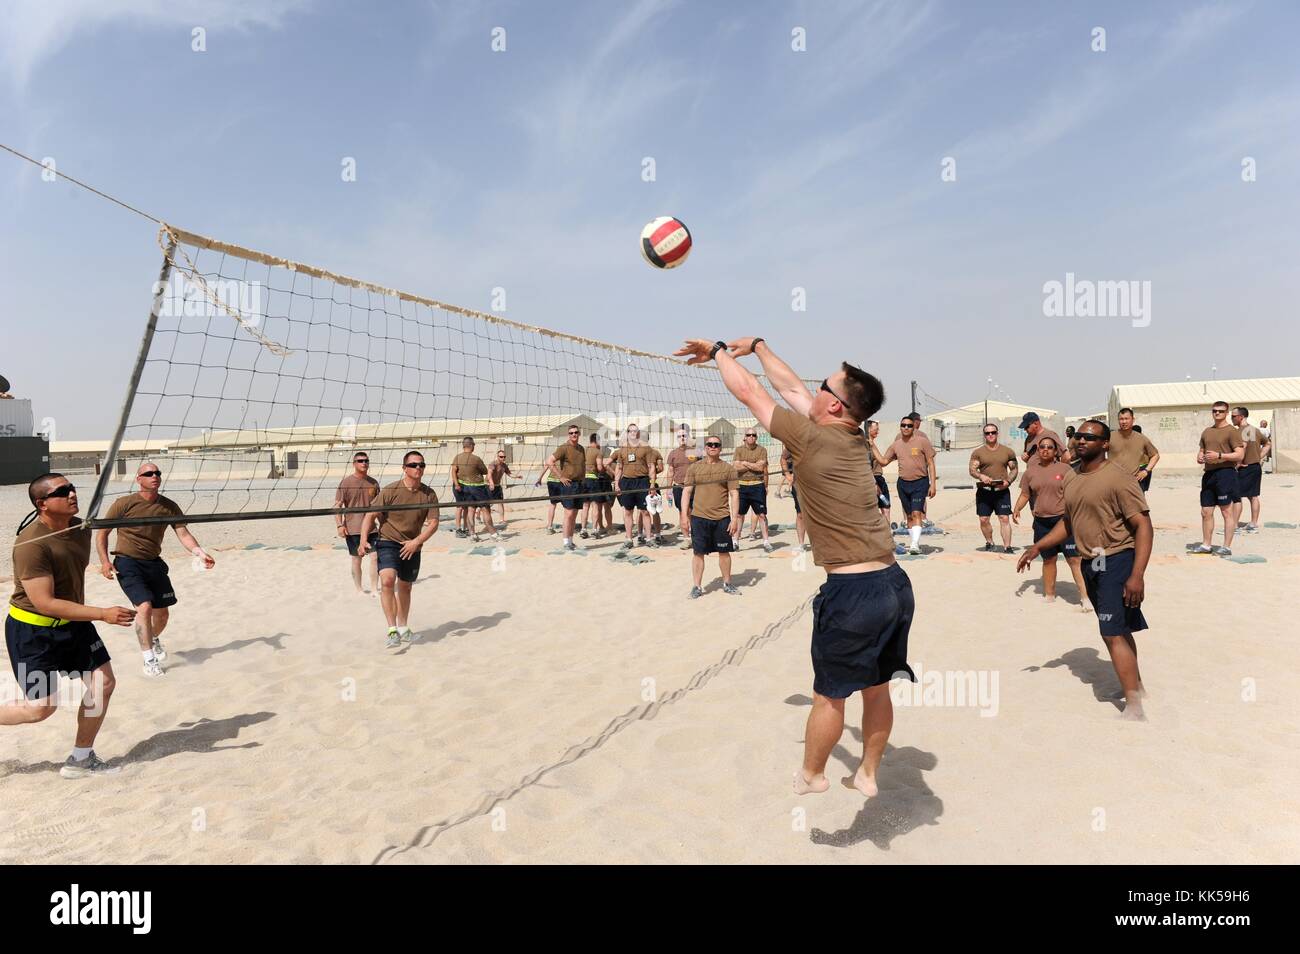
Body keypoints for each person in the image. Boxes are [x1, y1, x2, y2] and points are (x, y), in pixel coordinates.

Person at [675, 336, 912, 800]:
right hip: (894, 584)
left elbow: (752, 394)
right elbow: (790, 389)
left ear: (837, 405)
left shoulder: (810, 437)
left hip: (853, 592)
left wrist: (720, 352)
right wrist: (759, 346)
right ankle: (866, 773)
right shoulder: (851, 434)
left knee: (830, 695)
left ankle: (812, 775)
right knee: (877, 688)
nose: (814, 388)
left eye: (824, 385)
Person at [1017, 420, 1152, 721]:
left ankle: (1134, 707)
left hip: (1117, 559)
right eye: (1078, 436)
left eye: (1089, 438)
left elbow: (1143, 525)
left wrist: (1137, 574)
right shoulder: (1072, 477)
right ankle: (1136, 687)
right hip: (1091, 560)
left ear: (1105, 444)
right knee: (1118, 630)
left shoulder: (1118, 478)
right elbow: (1069, 521)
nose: (1081, 441)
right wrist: (1038, 546)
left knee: (1112, 632)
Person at [3, 474, 135, 777]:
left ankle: (81, 758)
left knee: (103, 684)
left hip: (74, 623)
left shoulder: (80, 528)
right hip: (33, 631)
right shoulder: (30, 545)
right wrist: (102, 613)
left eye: (72, 487)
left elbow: (118, 520)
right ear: (42, 504)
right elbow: (44, 602)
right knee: (40, 709)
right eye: (63, 491)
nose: (72, 493)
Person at [94, 461, 216, 676]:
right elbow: (102, 533)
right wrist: (105, 561)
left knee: (162, 616)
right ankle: (149, 660)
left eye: (157, 473)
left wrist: (200, 553)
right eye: (148, 473)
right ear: (138, 479)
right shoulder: (124, 503)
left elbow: (183, 533)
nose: (154, 476)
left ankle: (153, 638)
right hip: (127, 562)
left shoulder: (169, 505)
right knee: (145, 607)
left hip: (154, 563)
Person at [358, 451, 439, 648]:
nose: (418, 468)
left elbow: (434, 523)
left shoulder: (429, 493)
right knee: (387, 580)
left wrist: (416, 542)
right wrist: (362, 540)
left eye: (421, 465)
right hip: (388, 541)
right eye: (413, 465)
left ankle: (403, 628)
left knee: (405, 587)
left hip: (413, 544)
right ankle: (392, 630)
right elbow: (370, 515)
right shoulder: (390, 490)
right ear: (404, 468)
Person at [1012, 436, 1088, 609]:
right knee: (1048, 559)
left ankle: (1085, 597)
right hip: (1041, 522)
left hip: (1064, 521)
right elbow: (1025, 494)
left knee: (1074, 560)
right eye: (1041, 447)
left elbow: (1076, 492)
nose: (1045, 450)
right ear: (1038, 450)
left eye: (1049, 447)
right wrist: (1017, 509)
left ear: (1055, 451)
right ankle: (1049, 595)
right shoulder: (1030, 472)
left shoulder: (1066, 469)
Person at [682, 436, 740, 598]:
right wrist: (683, 517)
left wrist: (734, 519)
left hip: (722, 518)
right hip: (699, 517)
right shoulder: (694, 468)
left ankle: (727, 583)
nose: (713, 447)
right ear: (705, 448)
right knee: (698, 553)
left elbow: (734, 494)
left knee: (724, 552)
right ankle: (697, 587)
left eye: (716, 444)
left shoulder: (728, 468)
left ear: (720, 448)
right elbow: (686, 492)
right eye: (710, 444)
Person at [877, 416, 936, 554]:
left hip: (920, 482)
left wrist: (933, 484)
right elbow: (884, 461)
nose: (906, 428)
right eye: (903, 425)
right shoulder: (896, 444)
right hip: (903, 483)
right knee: (909, 516)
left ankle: (915, 544)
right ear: (900, 427)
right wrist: (872, 445)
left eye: (909, 425)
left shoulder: (923, 442)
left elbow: (931, 463)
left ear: (914, 427)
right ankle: (913, 542)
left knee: (917, 512)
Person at [1193, 401, 1244, 556]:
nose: (1217, 413)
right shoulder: (1207, 431)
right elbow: (1200, 452)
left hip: (1225, 473)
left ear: (1226, 413)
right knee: (1206, 511)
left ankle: (1226, 547)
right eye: (1214, 411)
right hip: (1209, 474)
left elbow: (1240, 454)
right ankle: (1206, 544)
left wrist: (1220, 455)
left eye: (1220, 411)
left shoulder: (1231, 431)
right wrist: (1201, 457)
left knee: (1226, 511)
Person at [333, 451, 380, 597]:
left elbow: (379, 507)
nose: (364, 463)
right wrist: (340, 525)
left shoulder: (373, 483)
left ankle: (374, 589)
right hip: (353, 529)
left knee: (375, 557)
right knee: (356, 560)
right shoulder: (346, 483)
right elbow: (337, 505)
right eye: (360, 461)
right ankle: (359, 589)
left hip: (372, 529)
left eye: (366, 461)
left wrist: (384, 524)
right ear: (354, 464)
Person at [535, 425, 588, 550]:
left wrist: (584, 480)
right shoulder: (564, 448)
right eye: (571, 433)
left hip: (579, 484)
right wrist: (561, 477)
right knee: (568, 514)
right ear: (568, 435)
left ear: (579, 434)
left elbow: (583, 465)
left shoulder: (581, 449)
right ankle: (565, 542)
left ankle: (570, 541)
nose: (573, 434)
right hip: (568, 484)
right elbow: (549, 461)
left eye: (576, 432)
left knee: (574, 514)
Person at [610, 424, 662, 548]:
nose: (633, 433)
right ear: (627, 433)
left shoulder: (646, 448)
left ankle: (649, 539)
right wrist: (617, 483)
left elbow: (651, 468)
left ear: (638, 433)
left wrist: (652, 484)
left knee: (645, 511)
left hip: (642, 481)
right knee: (628, 511)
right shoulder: (622, 449)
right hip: (627, 482)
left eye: (635, 431)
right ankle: (628, 539)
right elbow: (619, 468)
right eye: (631, 431)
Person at [968, 424, 1018, 553]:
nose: (990, 435)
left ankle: (1007, 547)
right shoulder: (978, 452)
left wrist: (1008, 481)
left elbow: (1014, 469)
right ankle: (989, 542)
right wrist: (981, 476)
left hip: (1001, 491)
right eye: (987, 433)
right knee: (984, 519)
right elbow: (972, 470)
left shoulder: (1007, 451)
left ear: (997, 433)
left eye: (993, 432)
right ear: (984, 435)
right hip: (984, 491)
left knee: (1004, 518)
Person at [450, 437, 499, 543]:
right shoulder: (476, 458)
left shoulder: (457, 457)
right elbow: (485, 471)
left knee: (470, 509)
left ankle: (472, 534)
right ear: (472, 445)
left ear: (463, 446)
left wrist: (456, 483)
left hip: (463, 487)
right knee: (485, 509)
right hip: (477, 487)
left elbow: (453, 471)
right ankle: (493, 533)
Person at [732, 428, 774, 552]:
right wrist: (753, 465)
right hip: (742, 485)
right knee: (739, 515)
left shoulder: (762, 450)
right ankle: (735, 541)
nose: (751, 437)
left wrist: (744, 463)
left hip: (757, 485)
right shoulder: (739, 450)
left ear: (756, 437)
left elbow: (761, 467)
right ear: (744, 437)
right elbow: (735, 467)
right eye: (748, 435)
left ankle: (766, 541)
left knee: (761, 515)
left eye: (753, 435)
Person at [1232, 407, 1269, 534]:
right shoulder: (1253, 430)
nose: (1232, 418)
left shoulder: (1243, 431)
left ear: (1241, 417)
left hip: (1246, 467)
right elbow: (1268, 444)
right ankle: (1253, 524)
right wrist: (1258, 457)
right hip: (1255, 466)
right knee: (1253, 496)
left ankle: (1234, 527)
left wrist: (1237, 464)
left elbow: (1244, 447)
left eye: (1233, 416)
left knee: (1236, 497)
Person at [1109, 408, 1160, 493]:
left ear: (1133, 420)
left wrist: (1146, 471)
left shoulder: (1141, 438)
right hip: (1114, 483)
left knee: (1138, 506)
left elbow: (1155, 455)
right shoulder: (1110, 437)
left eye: (1126, 419)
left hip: (1134, 484)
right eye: (1121, 419)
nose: (1124, 422)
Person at [665, 428, 698, 531]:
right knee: (682, 511)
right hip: (678, 486)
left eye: (684, 435)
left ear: (688, 437)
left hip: (693, 486)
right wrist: (668, 489)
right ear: (677, 439)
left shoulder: (695, 451)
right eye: (679, 436)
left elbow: (702, 468)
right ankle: (686, 537)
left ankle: (694, 534)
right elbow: (670, 471)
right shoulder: (673, 453)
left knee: (693, 511)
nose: (682, 438)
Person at [780, 446, 808, 551]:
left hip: (817, 484)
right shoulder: (795, 441)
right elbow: (783, 458)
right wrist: (787, 475)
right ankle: (801, 544)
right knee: (800, 514)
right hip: (799, 484)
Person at [580, 434, 606, 539]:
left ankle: (583, 529)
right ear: (597, 441)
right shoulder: (597, 452)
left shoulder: (583, 451)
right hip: (593, 480)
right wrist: (603, 470)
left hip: (583, 479)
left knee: (585, 506)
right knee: (595, 505)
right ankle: (595, 530)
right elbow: (599, 468)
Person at [488, 449, 514, 527]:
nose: (503, 458)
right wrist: (491, 483)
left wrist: (517, 476)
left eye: (504, 457)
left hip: (497, 486)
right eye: (501, 456)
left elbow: (509, 474)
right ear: (497, 456)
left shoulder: (504, 465)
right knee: (486, 504)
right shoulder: (493, 464)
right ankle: (479, 516)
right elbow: (489, 474)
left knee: (500, 502)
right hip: (489, 485)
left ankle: (502, 520)